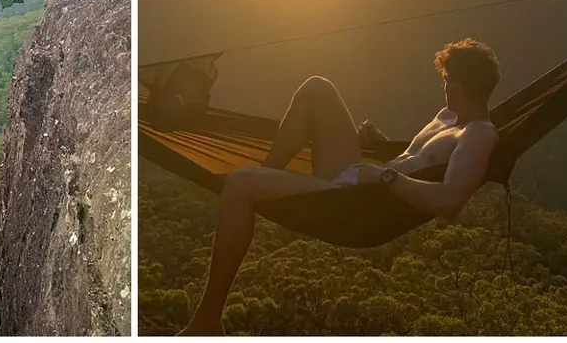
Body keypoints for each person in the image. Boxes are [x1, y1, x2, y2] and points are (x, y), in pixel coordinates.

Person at [178, 38, 501, 336]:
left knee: (239, 183)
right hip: (361, 178)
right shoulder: (446, 117)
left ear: (461, 84)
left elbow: (449, 201)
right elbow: (415, 160)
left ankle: (207, 321)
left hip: (361, 204)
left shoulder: (478, 134)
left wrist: (387, 178)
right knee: (317, 88)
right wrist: (379, 144)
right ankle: (267, 176)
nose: (443, 86)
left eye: (447, 79)